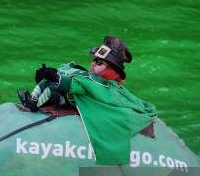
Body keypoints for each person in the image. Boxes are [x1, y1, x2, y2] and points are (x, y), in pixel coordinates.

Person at [18, 36, 157, 165]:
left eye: (99, 63)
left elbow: (77, 85)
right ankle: (33, 101)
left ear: (111, 70)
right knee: (47, 85)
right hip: (70, 97)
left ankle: (33, 104)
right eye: (94, 60)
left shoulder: (103, 85)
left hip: (75, 100)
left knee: (52, 89)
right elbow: (75, 80)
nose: (93, 64)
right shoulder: (89, 78)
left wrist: (56, 78)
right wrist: (50, 75)